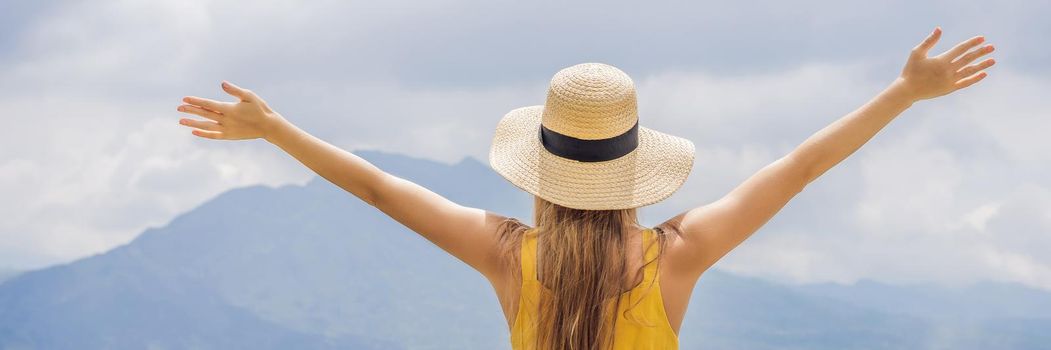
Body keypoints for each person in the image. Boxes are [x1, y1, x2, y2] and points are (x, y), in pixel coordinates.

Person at [175, 27, 995, 350]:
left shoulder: (507, 255)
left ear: (544, 167)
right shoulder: (674, 255)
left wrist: (277, 129)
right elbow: (800, 169)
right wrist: (903, 93)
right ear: (634, 169)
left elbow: (381, 190)